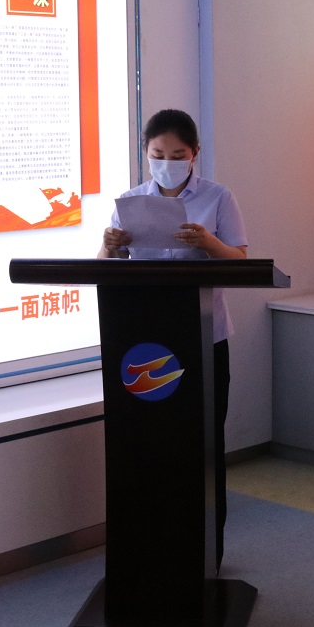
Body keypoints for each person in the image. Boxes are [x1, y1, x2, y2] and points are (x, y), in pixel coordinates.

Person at [98, 108, 247, 572]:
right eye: (158, 154)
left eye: (178, 155)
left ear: (195, 153)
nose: (167, 163)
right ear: (146, 153)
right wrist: (110, 246)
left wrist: (208, 243)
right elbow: (103, 267)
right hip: (145, 342)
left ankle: (206, 556)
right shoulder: (130, 201)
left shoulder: (218, 198)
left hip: (203, 339)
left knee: (201, 447)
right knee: (149, 446)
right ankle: (152, 551)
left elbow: (242, 261)